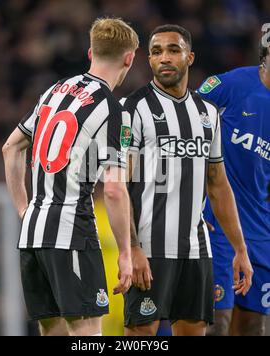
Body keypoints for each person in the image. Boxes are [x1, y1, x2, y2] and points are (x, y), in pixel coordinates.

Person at [2, 17, 139, 336]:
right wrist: (126, 253)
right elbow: (115, 191)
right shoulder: (114, 109)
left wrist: (25, 210)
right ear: (129, 59)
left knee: (52, 332)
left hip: (32, 235)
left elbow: (10, 148)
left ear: (90, 52)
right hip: (71, 233)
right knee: (87, 334)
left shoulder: (53, 91)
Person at [121, 24, 253, 337]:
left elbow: (217, 183)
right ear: (149, 61)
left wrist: (240, 249)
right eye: (156, 52)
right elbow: (119, 185)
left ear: (189, 57)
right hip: (150, 249)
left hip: (196, 248)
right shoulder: (134, 108)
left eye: (173, 50)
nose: (164, 58)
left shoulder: (208, 113)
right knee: (140, 335)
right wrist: (133, 249)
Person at [198, 32, 270, 336]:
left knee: (254, 328)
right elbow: (181, 125)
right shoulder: (230, 85)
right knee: (217, 324)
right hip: (220, 225)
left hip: (262, 232)